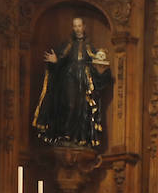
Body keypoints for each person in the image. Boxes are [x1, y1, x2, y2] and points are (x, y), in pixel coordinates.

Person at [31, 16, 114, 149]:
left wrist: (101, 71)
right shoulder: (68, 45)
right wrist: (55, 62)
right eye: (75, 26)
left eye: (79, 26)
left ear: (84, 27)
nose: (77, 29)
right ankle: (65, 135)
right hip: (69, 78)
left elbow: (98, 64)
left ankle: (79, 138)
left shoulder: (89, 47)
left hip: (83, 81)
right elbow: (60, 62)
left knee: (83, 108)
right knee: (69, 105)